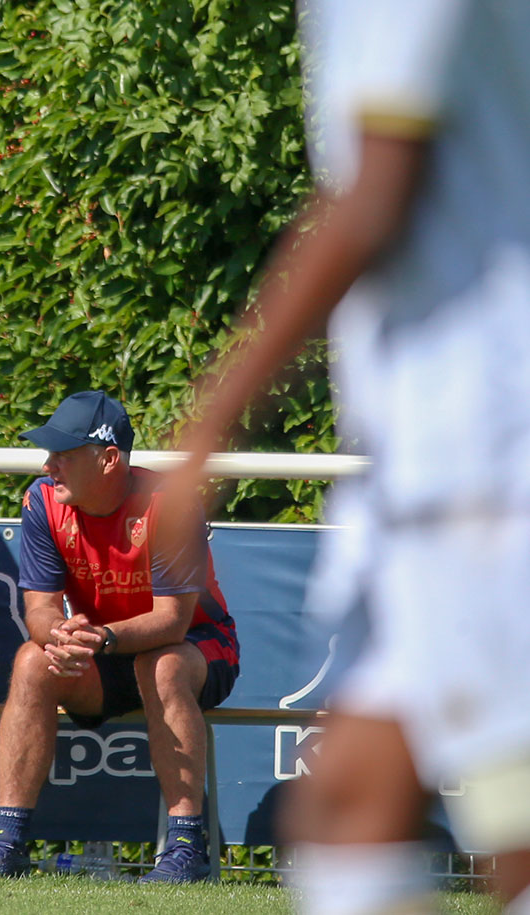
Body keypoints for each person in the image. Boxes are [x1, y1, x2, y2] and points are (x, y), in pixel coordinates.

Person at [163, 0, 530, 910]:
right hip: (434, 461)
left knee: (510, 835)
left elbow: (374, 195)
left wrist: (210, 427)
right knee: (345, 801)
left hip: (484, 454)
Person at [0, 391, 239, 883]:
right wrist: (62, 637)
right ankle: (6, 843)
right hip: (103, 650)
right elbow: (40, 610)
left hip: (196, 649)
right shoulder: (43, 500)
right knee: (31, 658)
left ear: (110, 459)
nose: (49, 466)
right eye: (50, 455)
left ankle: (183, 847)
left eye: (63, 455)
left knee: (163, 664)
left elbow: (173, 621)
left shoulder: (167, 503)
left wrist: (100, 637)